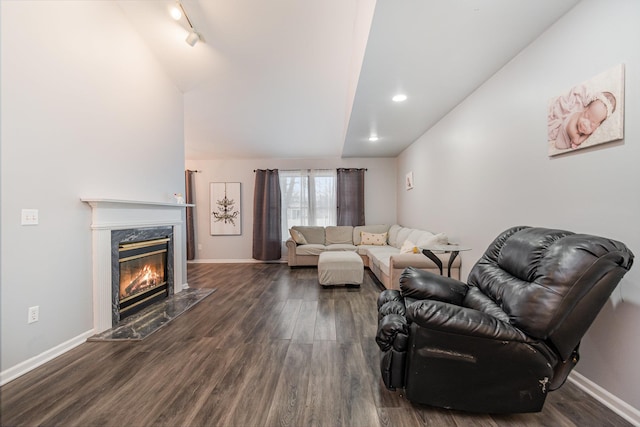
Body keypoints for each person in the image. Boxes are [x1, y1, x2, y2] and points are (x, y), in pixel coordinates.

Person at [549, 86, 617, 150]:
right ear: (585, 109)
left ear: (598, 125)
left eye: (591, 124)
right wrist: (588, 135)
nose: (585, 124)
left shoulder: (589, 121)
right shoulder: (572, 125)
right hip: (565, 135)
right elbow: (577, 140)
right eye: (586, 116)